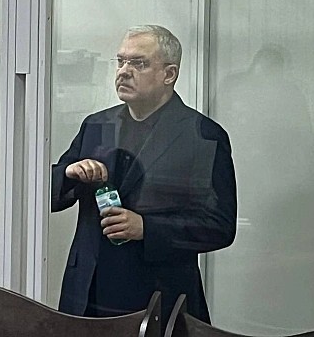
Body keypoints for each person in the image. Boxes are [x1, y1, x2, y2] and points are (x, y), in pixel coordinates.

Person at [52, 25, 237, 325]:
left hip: (157, 296)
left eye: (138, 63)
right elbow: (47, 197)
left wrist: (146, 228)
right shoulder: (97, 125)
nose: (124, 71)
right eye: (121, 61)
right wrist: (68, 174)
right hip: (87, 295)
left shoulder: (201, 135)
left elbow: (219, 226)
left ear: (169, 74)